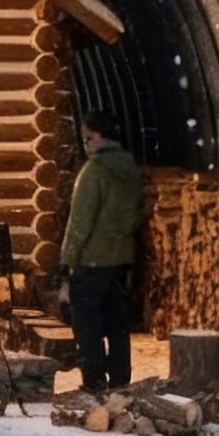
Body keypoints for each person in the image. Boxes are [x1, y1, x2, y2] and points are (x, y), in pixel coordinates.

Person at [60, 110, 142, 394]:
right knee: (118, 325)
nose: (86, 144)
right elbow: (135, 214)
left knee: (88, 326)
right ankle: (120, 380)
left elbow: (79, 223)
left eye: (88, 138)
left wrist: (67, 262)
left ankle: (94, 382)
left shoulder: (93, 172)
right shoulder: (130, 170)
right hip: (120, 261)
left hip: (91, 262)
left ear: (98, 136)